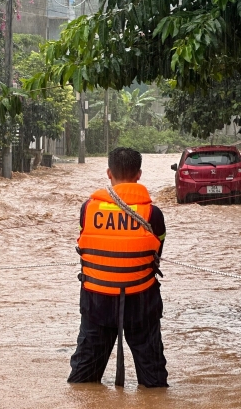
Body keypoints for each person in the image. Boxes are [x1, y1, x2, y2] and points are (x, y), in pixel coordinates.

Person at [68, 147, 168, 388]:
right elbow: (156, 255)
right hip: (141, 303)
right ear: (139, 175)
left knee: (83, 382)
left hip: (96, 303)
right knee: (153, 381)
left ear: (108, 173)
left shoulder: (88, 209)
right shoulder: (153, 214)